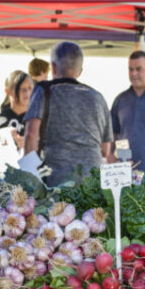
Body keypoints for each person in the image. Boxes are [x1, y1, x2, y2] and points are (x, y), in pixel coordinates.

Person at [23, 41, 115, 186]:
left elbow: (30, 136)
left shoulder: (43, 91)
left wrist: (28, 179)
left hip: (55, 184)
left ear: (53, 67)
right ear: (80, 70)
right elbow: (105, 150)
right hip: (91, 185)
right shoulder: (98, 98)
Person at [0, 70, 34, 149]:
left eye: (29, 88)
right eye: (20, 88)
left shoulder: (39, 121)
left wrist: (29, 148)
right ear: (8, 91)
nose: (26, 92)